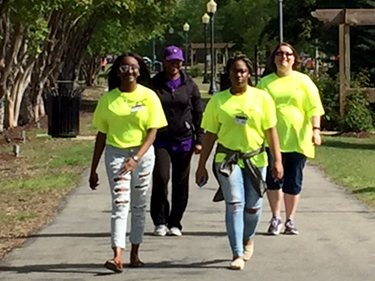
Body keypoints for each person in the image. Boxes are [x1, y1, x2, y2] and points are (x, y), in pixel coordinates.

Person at [195, 54, 283, 270]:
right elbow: (210, 135)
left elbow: (271, 131)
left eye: (243, 71)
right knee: (235, 204)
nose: (239, 75)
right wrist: (201, 165)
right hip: (227, 160)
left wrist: (277, 160)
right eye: (235, 71)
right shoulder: (218, 100)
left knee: (253, 207)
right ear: (229, 74)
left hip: (255, 159)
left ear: (249, 74)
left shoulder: (262, 98)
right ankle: (237, 253)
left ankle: (247, 239)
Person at [89, 53, 167, 272]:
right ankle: (117, 256)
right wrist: (93, 169)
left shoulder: (149, 96)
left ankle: (135, 252)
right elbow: (101, 134)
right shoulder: (108, 99)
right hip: (116, 154)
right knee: (120, 203)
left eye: (133, 67)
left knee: (139, 204)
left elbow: (153, 132)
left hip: (142, 156)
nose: (129, 71)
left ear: (139, 71)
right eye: (124, 67)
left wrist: (136, 158)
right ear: (117, 71)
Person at [257, 42, 325, 235]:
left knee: (293, 181)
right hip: (272, 140)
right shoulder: (265, 83)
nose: (283, 57)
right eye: (279, 54)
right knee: (274, 180)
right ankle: (276, 217)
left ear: (294, 59)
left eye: (288, 54)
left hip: (297, 139)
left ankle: (290, 219)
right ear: (274, 58)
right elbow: (257, 109)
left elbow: (314, 108)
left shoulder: (303, 81)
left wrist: (316, 130)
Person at [150, 45, 204, 237]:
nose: (174, 65)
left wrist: (200, 138)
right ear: (163, 62)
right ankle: (160, 221)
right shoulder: (154, 84)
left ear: (182, 63)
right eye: (170, 61)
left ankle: (175, 222)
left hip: (184, 140)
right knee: (161, 178)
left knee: (181, 182)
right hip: (161, 140)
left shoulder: (189, 85)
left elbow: (198, 112)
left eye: (177, 61)